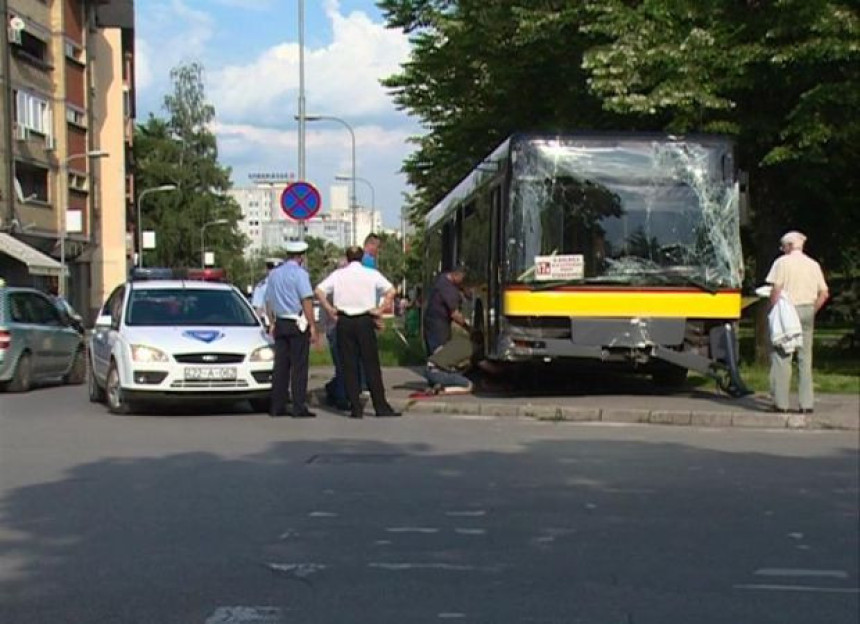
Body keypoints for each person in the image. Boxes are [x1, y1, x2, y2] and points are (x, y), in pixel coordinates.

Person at [315, 246, 400, 419]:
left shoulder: (339, 275)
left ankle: (355, 407)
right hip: (365, 320)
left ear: (347, 258)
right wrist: (380, 309)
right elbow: (392, 291)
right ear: (361, 258)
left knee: (349, 365)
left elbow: (319, 290)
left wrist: (330, 309)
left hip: (344, 321)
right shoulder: (371, 274)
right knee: (371, 365)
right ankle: (380, 406)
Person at [765, 230, 829, 414]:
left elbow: (776, 289)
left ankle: (781, 402)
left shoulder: (782, 263)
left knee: (782, 356)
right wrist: (812, 310)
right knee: (805, 357)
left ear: (788, 246)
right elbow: (824, 293)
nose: (782, 249)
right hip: (807, 309)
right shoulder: (813, 265)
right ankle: (806, 403)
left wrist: (775, 309)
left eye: (783, 246)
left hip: (788, 310)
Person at [264, 241, 318, 418]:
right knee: (299, 366)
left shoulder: (274, 274)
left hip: (280, 323)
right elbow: (306, 300)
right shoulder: (300, 274)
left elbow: (268, 301)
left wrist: (272, 322)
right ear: (301, 257)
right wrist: (312, 325)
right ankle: (298, 406)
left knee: (281, 366)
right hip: (297, 323)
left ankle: (277, 405)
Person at [322, 257, 350, 411]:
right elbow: (324, 309)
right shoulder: (334, 285)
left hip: (342, 329)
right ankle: (340, 396)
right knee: (341, 364)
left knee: (345, 364)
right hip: (335, 329)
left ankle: (335, 390)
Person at [423, 265, 468, 354]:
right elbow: (454, 314)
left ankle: (434, 364)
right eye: (462, 278)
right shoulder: (447, 288)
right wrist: (467, 327)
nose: (462, 281)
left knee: (437, 349)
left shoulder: (443, 279)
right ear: (456, 275)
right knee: (439, 351)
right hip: (437, 323)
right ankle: (436, 365)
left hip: (433, 321)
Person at [251, 258, 282, 324]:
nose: (274, 271)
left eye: (277, 269)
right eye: (271, 268)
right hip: (268, 323)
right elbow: (258, 309)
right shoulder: (261, 287)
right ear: (267, 270)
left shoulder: (286, 285)